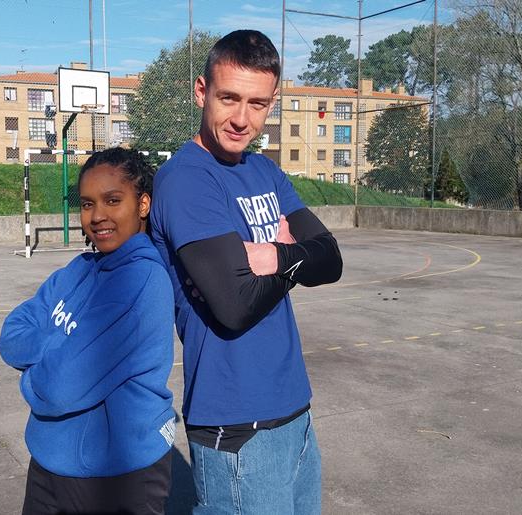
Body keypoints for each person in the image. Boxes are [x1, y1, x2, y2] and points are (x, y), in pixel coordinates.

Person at [149, 30, 344, 514]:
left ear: (272, 103)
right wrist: (296, 253)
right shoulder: (187, 179)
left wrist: (276, 257)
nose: (241, 119)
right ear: (201, 91)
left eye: (257, 104)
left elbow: (331, 259)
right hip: (237, 425)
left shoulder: (265, 172)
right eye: (229, 98)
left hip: (294, 409)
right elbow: (234, 306)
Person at [0, 148, 176, 515]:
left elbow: (59, 388)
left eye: (113, 201)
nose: (97, 216)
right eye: (87, 204)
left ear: (143, 205)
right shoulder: (78, 269)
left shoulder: (141, 279)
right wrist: (58, 343)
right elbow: (11, 333)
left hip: (115, 476)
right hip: (49, 462)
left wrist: (36, 371)